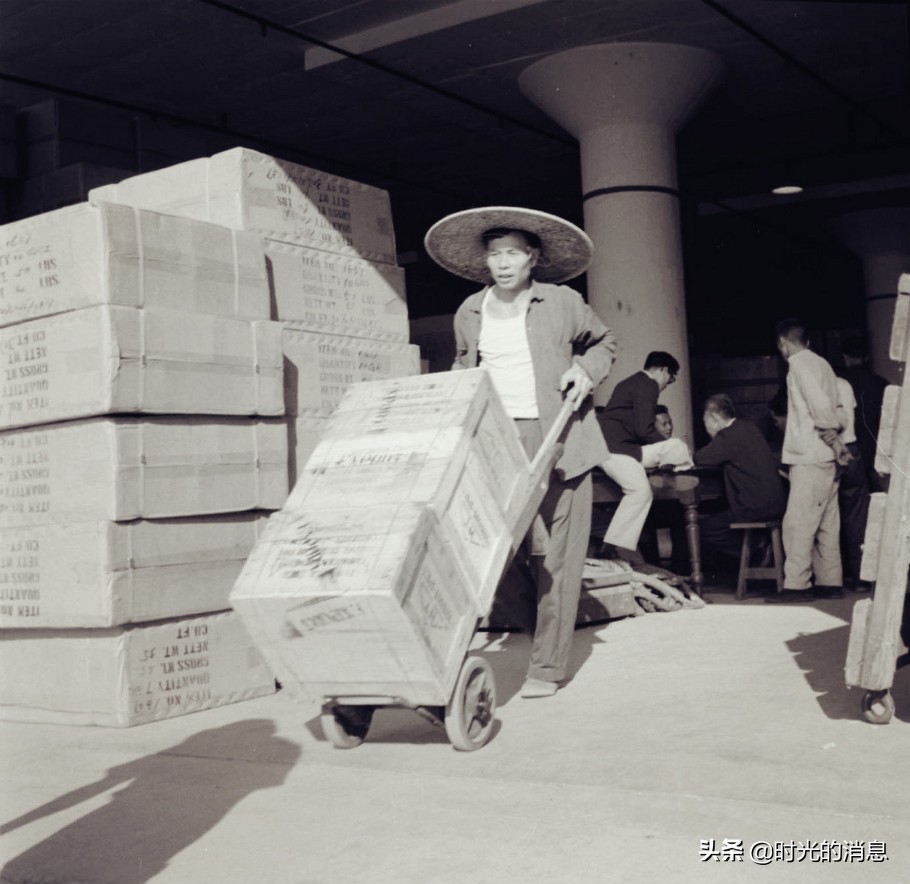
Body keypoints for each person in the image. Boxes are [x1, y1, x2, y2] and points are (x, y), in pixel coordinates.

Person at [424, 206, 616, 698]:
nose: (503, 263)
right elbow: (463, 367)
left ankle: (547, 666)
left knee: (558, 559)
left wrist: (586, 371)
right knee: (497, 552)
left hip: (560, 439)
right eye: (494, 255)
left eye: (513, 253)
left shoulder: (561, 301)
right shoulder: (470, 311)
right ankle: (527, 627)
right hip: (496, 442)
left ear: (532, 258)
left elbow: (604, 341)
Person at [770, 318, 844, 602]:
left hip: (809, 454)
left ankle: (797, 585)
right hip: (825, 456)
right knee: (827, 520)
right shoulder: (823, 363)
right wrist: (836, 436)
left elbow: (819, 405)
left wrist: (828, 428)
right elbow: (836, 405)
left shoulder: (798, 364)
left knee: (798, 522)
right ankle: (830, 581)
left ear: (783, 343)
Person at [596, 352, 688, 565]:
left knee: (645, 487)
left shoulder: (630, 382)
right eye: (671, 378)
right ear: (663, 370)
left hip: (620, 448)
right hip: (616, 449)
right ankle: (612, 547)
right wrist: (662, 446)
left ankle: (612, 546)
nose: (668, 384)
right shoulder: (649, 384)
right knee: (643, 488)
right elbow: (644, 429)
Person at [693, 394, 787, 565]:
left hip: (754, 507)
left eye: (705, 422)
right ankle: (759, 543)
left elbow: (700, 458)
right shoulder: (748, 427)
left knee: (703, 530)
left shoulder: (726, 436)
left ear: (713, 418)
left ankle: (756, 546)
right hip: (776, 504)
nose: (705, 427)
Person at [834, 376, 871, 591]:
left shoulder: (819, 384)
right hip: (852, 448)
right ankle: (861, 577)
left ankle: (831, 578)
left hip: (832, 450)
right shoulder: (845, 384)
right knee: (857, 516)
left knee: (826, 518)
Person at [838, 335, 888, 491]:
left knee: (852, 499)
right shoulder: (882, 384)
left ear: (845, 357)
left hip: (849, 448)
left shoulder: (839, 383)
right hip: (876, 448)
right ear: (866, 357)